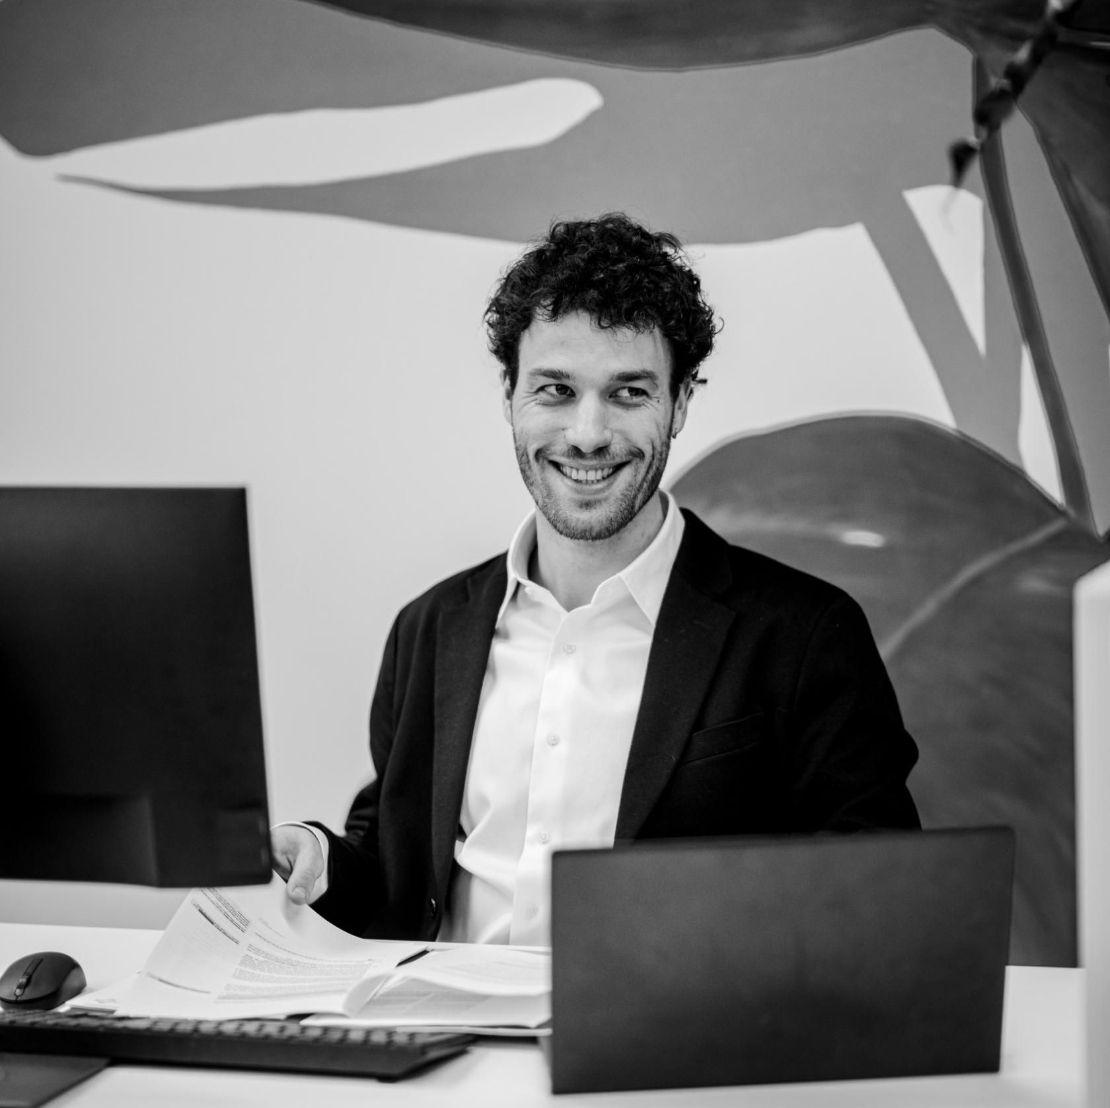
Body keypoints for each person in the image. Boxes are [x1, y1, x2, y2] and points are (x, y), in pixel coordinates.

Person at [272, 213, 920, 945]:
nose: (587, 433)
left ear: (680, 402)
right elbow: (396, 856)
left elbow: (877, 896)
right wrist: (325, 861)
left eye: (628, 393)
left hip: (668, 1019)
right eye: (555, 389)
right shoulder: (428, 628)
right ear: (509, 395)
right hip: (445, 1017)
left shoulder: (805, 635)